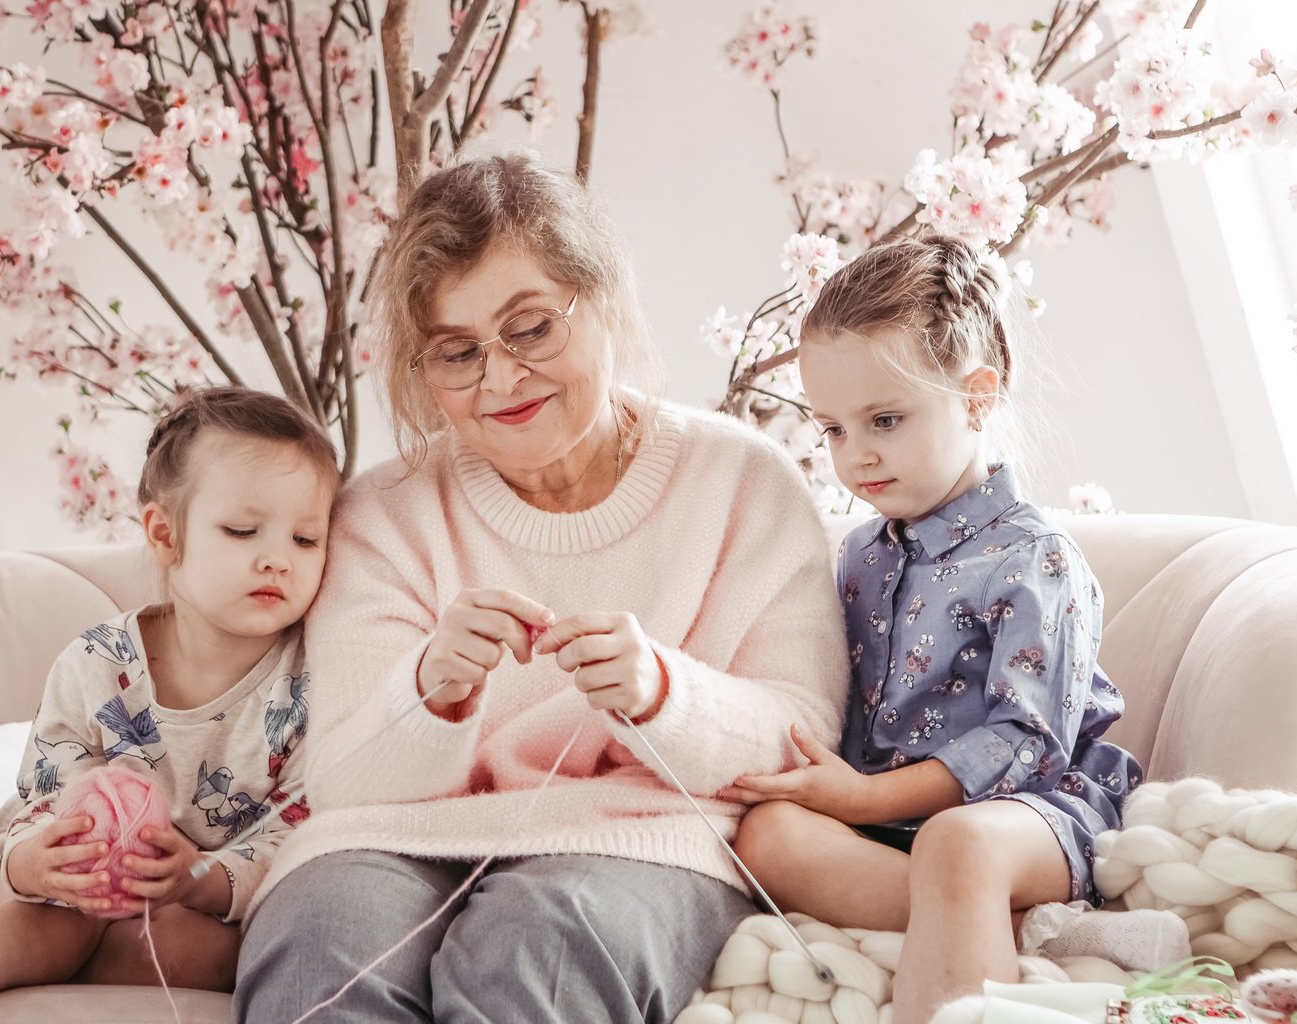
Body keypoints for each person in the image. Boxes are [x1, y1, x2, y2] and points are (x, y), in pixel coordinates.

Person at [233, 152, 850, 1023]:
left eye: (531, 329)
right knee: (321, 948)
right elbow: (341, 782)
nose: (500, 378)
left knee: (537, 948)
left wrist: (663, 694)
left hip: (641, 844)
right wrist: (430, 690)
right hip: (390, 840)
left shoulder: (742, 482)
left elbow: (805, 735)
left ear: (601, 304)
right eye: (456, 352)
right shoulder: (381, 514)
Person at [726, 235, 1163, 1023]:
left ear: (975, 396)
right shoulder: (858, 554)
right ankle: (1028, 931)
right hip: (895, 822)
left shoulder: (1036, 558)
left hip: (1029, 813)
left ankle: (988, 920)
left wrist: (861, 799)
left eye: (884, 420)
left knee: (959, 845)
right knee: (766, 836)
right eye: (832, 430)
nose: (856, 456)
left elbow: (1025, 744)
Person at [0, 386, 337, 1024]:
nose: (277, 559)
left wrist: (200, 876)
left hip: (195, 905)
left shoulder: (313, 681)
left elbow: (303, 830)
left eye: (307, 540)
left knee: (189, 947)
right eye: (242, 530)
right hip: (56, 886)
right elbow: (45, 790)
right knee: (62, 918)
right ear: (166, 535)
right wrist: (42, 862)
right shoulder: (99, 662)